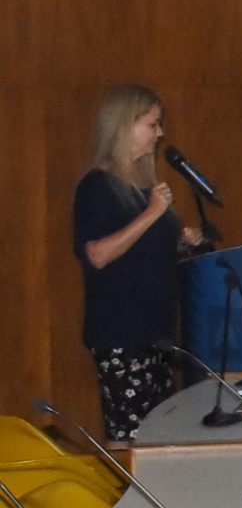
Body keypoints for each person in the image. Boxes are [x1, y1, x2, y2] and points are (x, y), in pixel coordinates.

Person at [72, 84, 199, 439]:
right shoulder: (97, 186)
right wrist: (152, 214)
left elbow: (144, 254)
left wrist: (184, 242)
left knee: (161, 439)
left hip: (156, 335)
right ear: (125, 125)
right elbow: (97, 254)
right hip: (122, 337)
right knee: (133, 443)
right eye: (152, 124)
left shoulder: (146, 183)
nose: (160, 134)